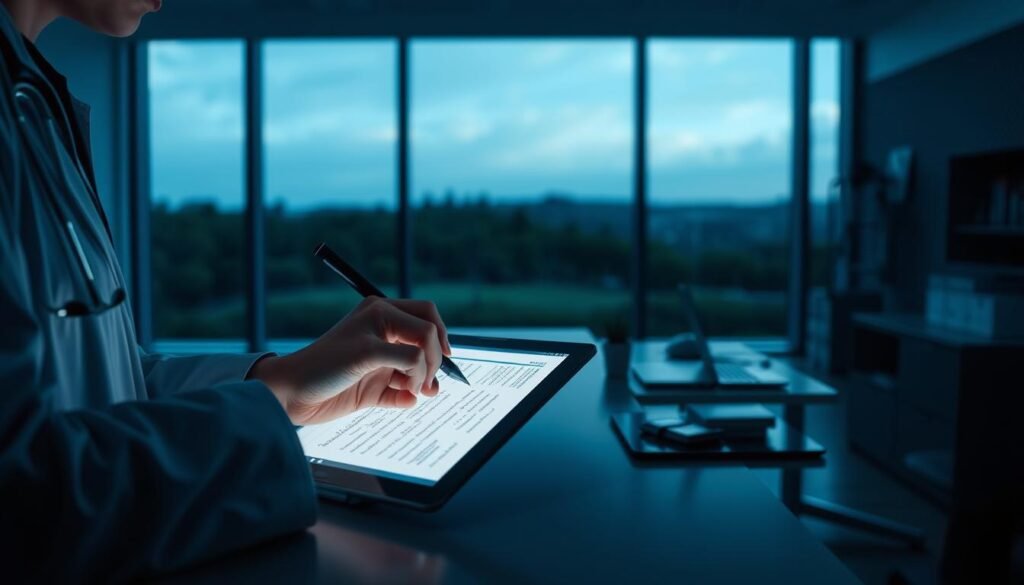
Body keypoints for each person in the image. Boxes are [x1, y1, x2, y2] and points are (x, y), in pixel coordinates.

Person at [0, 0, 452, 580]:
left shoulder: (31, 102)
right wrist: (262, 424)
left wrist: (282, 385)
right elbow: (19, 496)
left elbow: (104, 384)